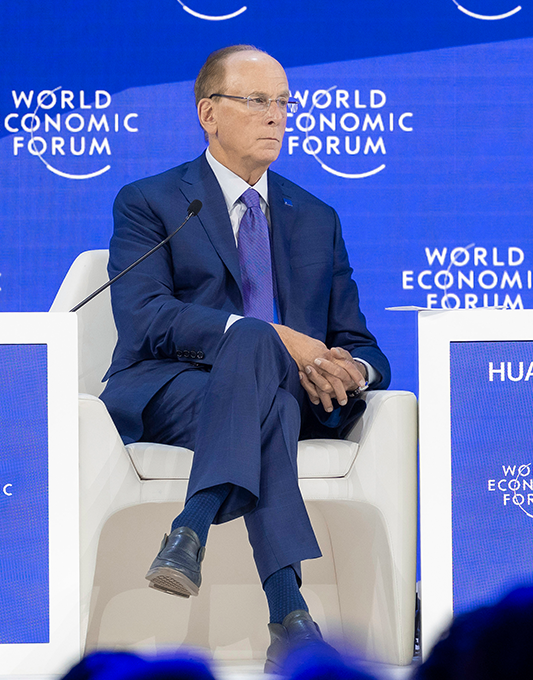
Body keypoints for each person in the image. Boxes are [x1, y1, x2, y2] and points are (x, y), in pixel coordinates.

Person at [99, 44, 390, 671]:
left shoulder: (316, 217)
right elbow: (144, 316)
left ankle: (193, 529)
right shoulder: (151, 201)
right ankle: (289, 613)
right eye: (257, 100)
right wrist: (268, 335)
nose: (276, 115)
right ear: (208, 113)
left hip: (282, 393)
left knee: (272, 392)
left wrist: (352, 369)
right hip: (174, 387)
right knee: (263, 366)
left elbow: (360, 341)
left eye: (283, 102)